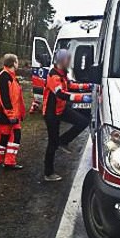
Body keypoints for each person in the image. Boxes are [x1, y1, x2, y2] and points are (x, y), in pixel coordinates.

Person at [43, 49, 93, 182]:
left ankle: (63, 141)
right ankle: (48, 173)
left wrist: (88, 85)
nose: (70, 62)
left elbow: (71, 85)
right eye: (68, 59)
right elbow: (61, 94)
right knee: (52, 143)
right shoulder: (53, 76)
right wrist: (83, 98)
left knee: (83, 121)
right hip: (51, 113)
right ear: (62, 60)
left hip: (61, 109)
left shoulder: (63, 73)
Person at [0, 54, 26, 170]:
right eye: (17, 61)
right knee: (14, 135)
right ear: (13, 63)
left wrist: (20, 113)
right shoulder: (4, 77)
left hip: (8, 113)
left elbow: (16, 98)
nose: (18, 63)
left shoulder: (11, 77)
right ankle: (8, 162)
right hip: (4, 114)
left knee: (6, 136)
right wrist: (11, 115)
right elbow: (5, 98)